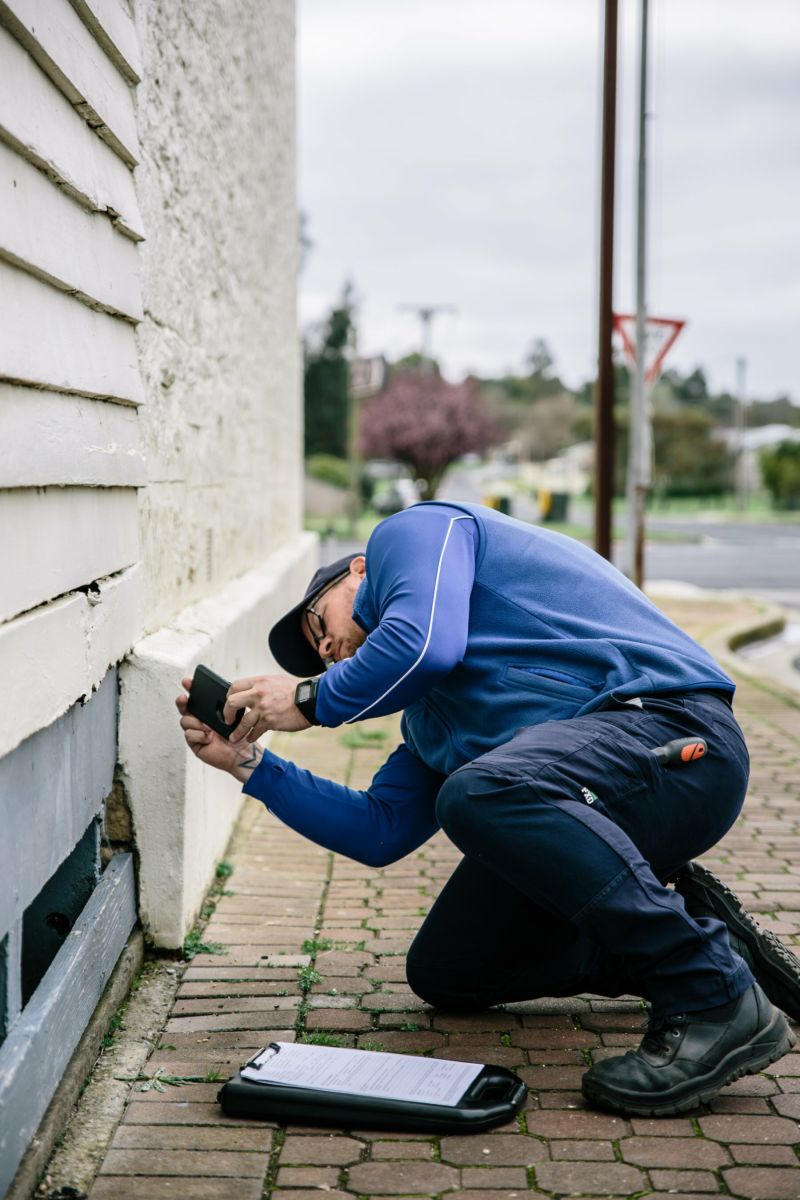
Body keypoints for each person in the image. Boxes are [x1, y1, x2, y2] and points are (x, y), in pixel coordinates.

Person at [176, 500, 799, 1117]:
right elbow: (379, 829)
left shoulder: (416, 531)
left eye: (318, 625)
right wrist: (247, 764)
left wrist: (311, 699)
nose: (328, 651)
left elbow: (423, 645)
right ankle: (691, 931)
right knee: (450, 970)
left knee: (479, 791)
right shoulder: (432, 721)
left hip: (675, 732)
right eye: (319, 660)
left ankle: (708, 990)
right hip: (606, 798)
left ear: (360, 573)